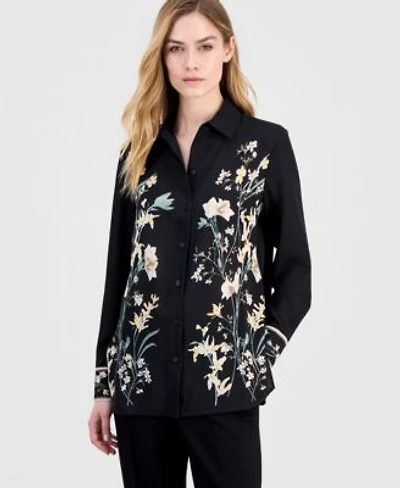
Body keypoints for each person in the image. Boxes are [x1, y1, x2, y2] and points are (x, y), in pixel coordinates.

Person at [88, 1, 312, 487]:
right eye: (176, 49)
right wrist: (104, 384)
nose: (191, 63)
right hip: (142, 387)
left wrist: (258, 353)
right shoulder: (139, 153)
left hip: (224, 386)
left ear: (228, 49)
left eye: (205, 47)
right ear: (162, 56)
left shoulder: (265, 148)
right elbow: (119, 275)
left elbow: (295, 271)